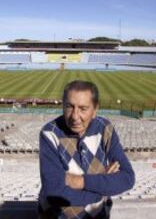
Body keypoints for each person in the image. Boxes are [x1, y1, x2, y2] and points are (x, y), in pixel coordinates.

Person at [38, 80, 135, 219]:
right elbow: (54, 192)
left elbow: (128, 178)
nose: (75, 116)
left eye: (83, 109)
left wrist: (80, 182)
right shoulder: (49, 133)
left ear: (95, 110)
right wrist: (103, 189)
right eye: (70, 107)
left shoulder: (105, 128)